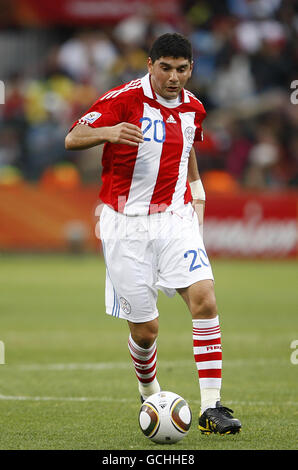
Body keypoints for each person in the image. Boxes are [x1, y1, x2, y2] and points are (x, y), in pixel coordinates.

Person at [65, 33, 241, 435]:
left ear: (191, 68)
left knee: (205, 299)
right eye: (166, 68)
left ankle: (212, 407)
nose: (174, 77)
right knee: (146, 331)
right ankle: (149, 392)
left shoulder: (194, 108)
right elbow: (72, 136)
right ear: (150, 65)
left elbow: (186, 147)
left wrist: (196, 190)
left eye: (182, 69)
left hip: (175, 218)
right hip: (125, 224)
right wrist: (109, 134)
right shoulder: (121, 100)